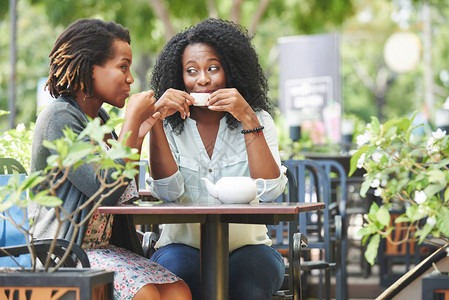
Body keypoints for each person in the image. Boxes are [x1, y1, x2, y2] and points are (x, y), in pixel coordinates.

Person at [29, 18, 191, 300]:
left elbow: (123, 185)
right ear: (92, 68)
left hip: (102, 250)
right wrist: (130, 120)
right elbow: (106, 189)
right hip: (65, 254)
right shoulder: (59, 117)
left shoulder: (99, 121)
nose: (130, 78)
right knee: (146, 295)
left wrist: (143, 126)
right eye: (122, 66)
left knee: (179, 291)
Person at [147, 18, 288, 300]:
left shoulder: (258, 119)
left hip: (250, 247)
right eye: (191, 71)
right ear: (179, 77)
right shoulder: (166, 125)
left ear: (232, 71)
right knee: (182, 280)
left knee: (248, 287)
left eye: (213, 68)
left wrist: (247, 118)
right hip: (179, 246)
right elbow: (168, 193)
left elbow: (271, 192)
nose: (203, 79)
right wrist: (156, 121)